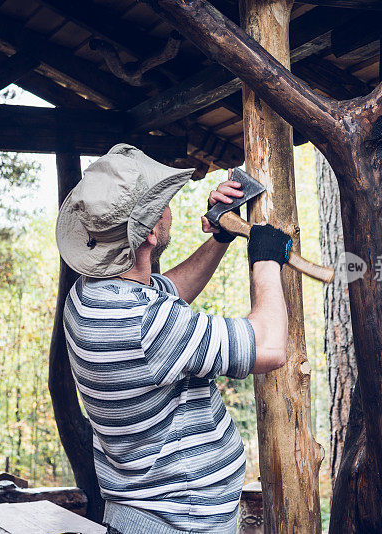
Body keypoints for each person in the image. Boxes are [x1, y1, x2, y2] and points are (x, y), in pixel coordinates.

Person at [55, 144, 292, 534]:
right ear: (149, 233)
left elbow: (168, 292)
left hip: (145, 515)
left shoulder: (89, 295)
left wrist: (221, 236)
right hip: (180, 522)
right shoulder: (146, 325)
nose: (170, 209)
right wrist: (265, 259)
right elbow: (270, 346)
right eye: (163, 202)